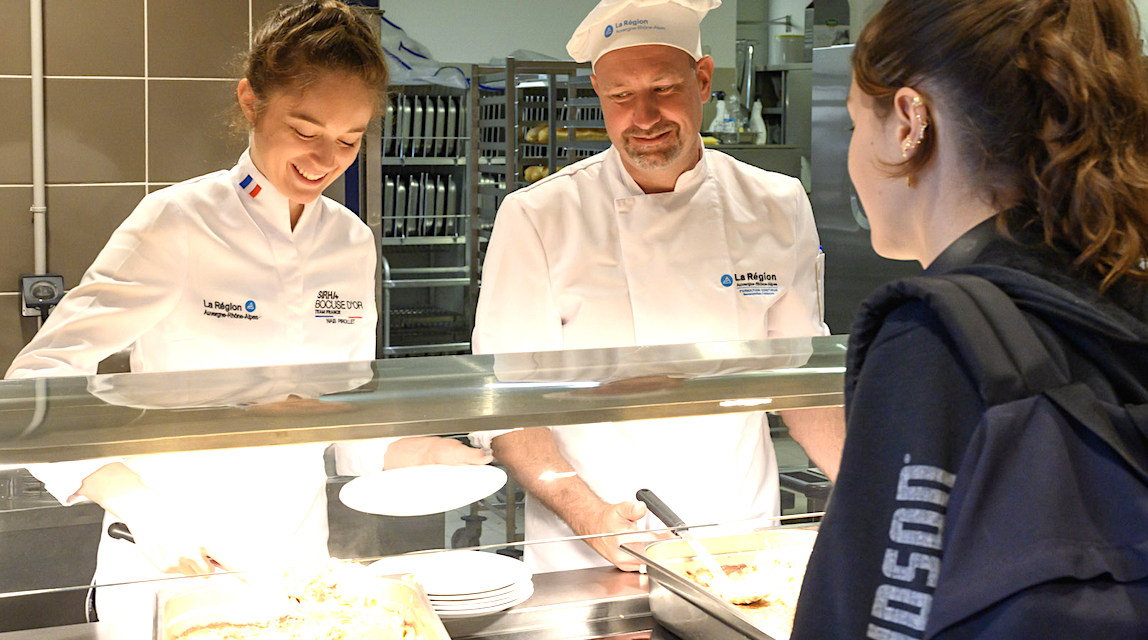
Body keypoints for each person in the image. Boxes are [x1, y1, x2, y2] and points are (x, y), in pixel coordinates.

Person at [4, 0, 487, 622]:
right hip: (166, 565)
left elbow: (335, 421)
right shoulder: (176, 222)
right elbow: (33, 387)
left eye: (348, 140)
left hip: (295, 570)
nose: (324, 160)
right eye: (305, 131)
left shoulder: (349, 241)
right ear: (251, 102)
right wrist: (139, 503)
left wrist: (410, 452)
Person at [791, 0, 1148, 637]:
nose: (850, 156)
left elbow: (869, 620)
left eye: (852, 125)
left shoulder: (938, 341)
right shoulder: (1118, 291)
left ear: (908, 122)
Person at [470, 0, 844, 574]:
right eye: (621, 96)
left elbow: (798, 380)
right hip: (592, 541)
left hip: (737, 530)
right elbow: (505, 405)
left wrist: (874, 489)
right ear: (597, 90)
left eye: (664, 88)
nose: (643, 117)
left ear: (702, 78)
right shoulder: (539, 216)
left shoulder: (777, 204)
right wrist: (591, 517)